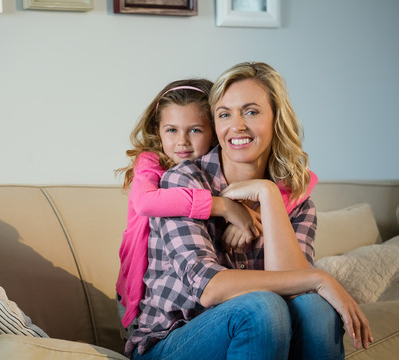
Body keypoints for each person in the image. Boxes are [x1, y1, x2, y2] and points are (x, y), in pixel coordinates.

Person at [126, 62, 373, 360]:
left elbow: (295, 289)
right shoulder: (183, 181)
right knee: (261, 306)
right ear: (216, 125)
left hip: (256, 334)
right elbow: (209, 288)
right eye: (225, 114)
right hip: (172, 342)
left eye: (252, 111)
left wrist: (267, 195)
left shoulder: (297, 201)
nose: (237, 125)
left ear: (276, 119)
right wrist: (319, 278)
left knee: (315, 309)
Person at [115, 79, 262, 338]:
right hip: (139, 288)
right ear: (157, 130)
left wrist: (258, 213)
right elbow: (146, 202)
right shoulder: (150, 164)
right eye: (171, 130)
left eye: (195, 130)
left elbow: (298, 184)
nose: (182, 141)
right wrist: (223, 206)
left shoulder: (222, 168)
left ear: (215, 130)